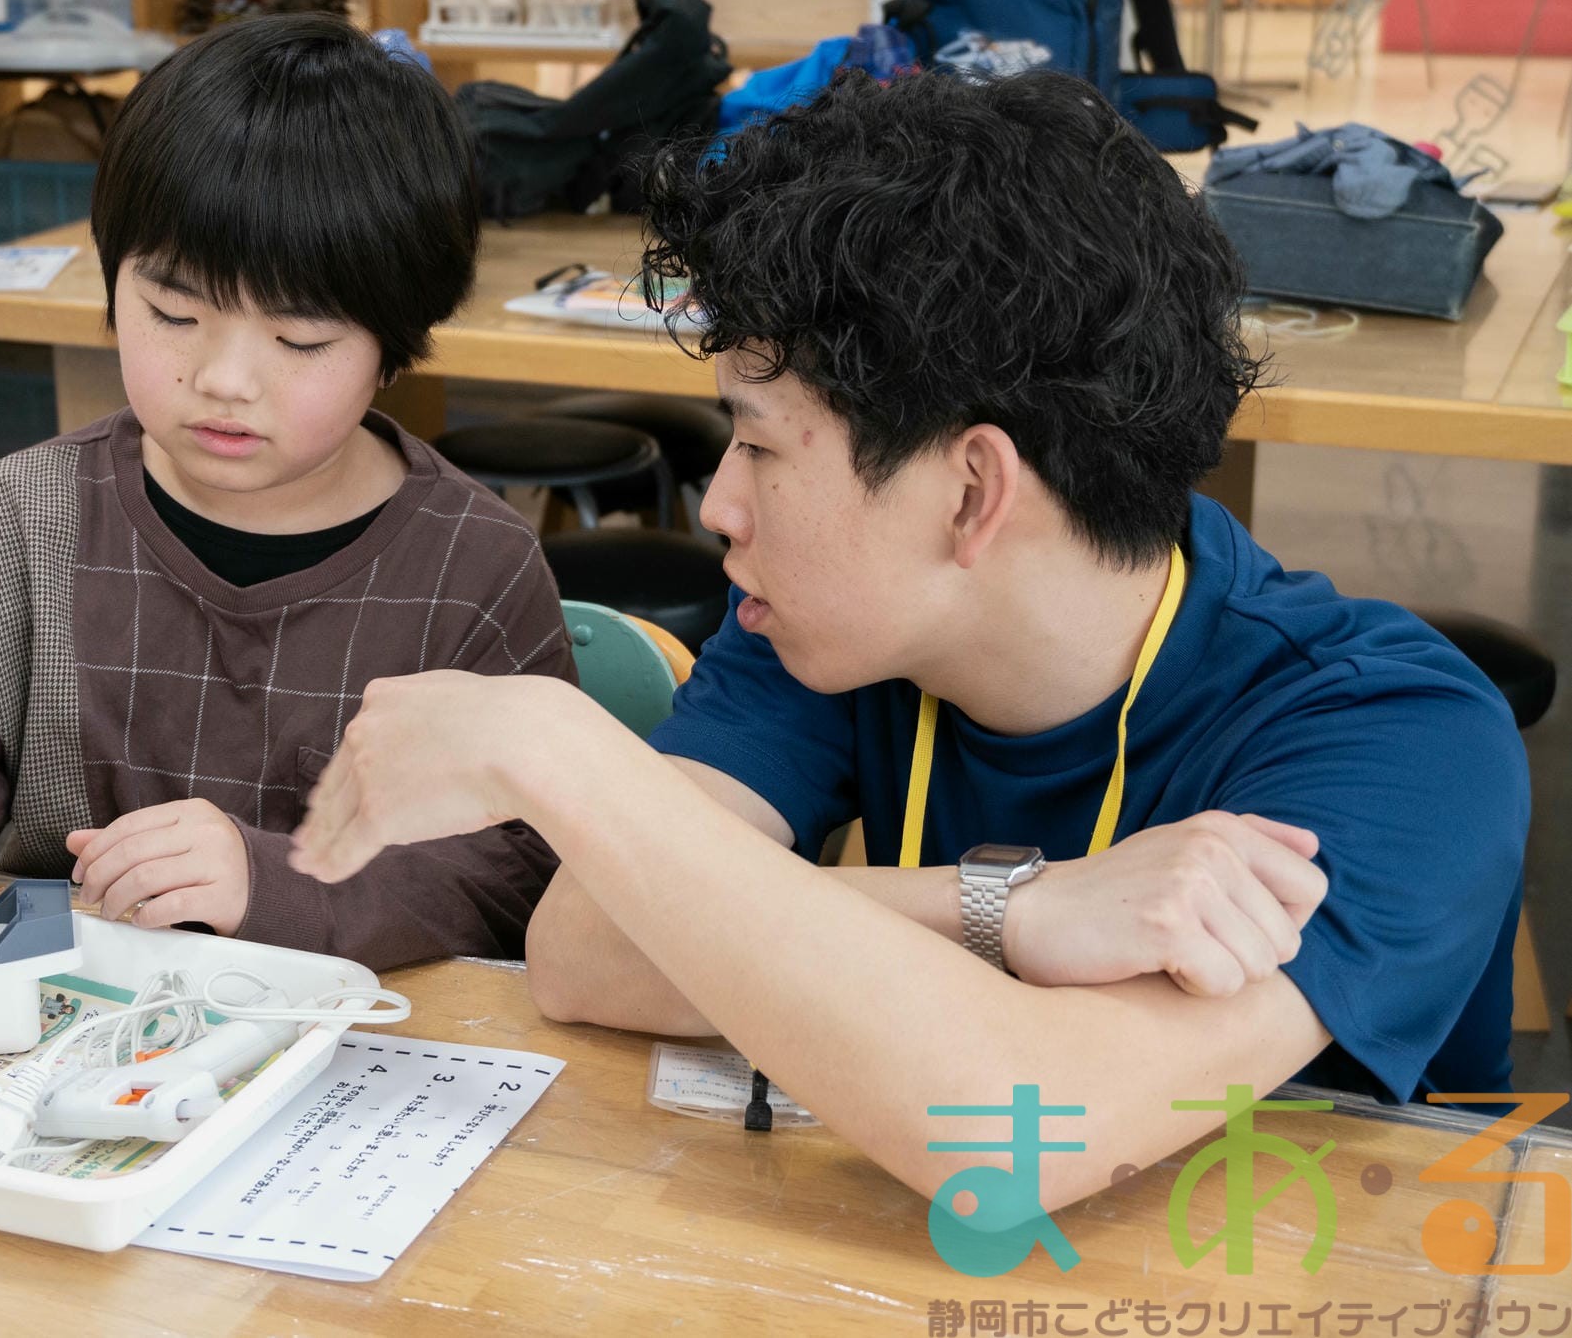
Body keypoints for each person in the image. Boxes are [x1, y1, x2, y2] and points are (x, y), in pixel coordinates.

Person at [286, 68, 1529, 1217]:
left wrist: (559, 752)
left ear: (972, 491)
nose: (719, 506)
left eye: (759, 445)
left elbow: (1012, 1136)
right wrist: (1013, 908)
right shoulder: (828, 624)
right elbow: (585, 949)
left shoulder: (1400, 742)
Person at [0, 14, 574, 972]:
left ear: (396, 343)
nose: (224, 379)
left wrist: (269, 881)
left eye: (300, 339)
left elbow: (517, 874)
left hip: (351, 1037)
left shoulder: (473, 567)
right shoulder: (27, 515)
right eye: (172, 313)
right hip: (57, 1020)